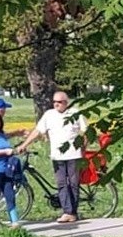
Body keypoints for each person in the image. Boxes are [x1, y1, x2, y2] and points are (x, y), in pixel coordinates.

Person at [16, 91, 87, 223]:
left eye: (59, 102)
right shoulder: (49, 115)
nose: (56, 104)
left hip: (74, 155)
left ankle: (72, 212)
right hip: (57, 156)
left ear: (66, 103)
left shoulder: (75, 113)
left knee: (73, 184)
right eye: (54, 102)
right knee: (61, 183)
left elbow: (86, 132)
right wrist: (24, 144)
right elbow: (37, 131)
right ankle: (68, 212)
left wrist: (84, 148)